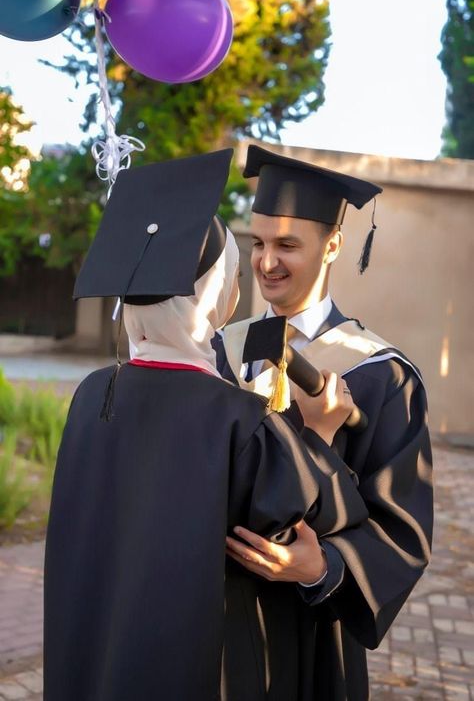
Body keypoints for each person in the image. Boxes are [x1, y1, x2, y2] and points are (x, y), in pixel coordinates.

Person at [43, 149, 368, 701]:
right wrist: (319, 435)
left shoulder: (91, 393)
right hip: (189, 662)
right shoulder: (236, 418)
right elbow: (316, 515)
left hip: (99, 649)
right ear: (216, 293)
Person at [215, 144, 434, 700]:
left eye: (288, 244)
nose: (266, 263)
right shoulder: (219, 351)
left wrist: (322, 566)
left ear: (333, 244)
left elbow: (402, 529)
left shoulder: (381, 375)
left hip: (314, 633)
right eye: (258, 243)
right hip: (214, 625)